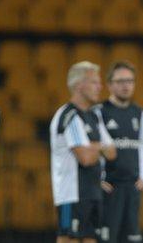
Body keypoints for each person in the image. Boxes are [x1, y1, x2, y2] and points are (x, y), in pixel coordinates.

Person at [50, 61, 117, 243]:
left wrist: (94, 147)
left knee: (90, 238)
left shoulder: (94, 116)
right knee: (68, 238)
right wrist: (99, 147)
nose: (100, 87)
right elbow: (86, 158)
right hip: (72, 193)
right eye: (94, 82)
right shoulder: (69, 116)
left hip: (93, 190)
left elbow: (112, 152)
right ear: (79, 85)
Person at [98, 62, 143, 243]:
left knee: (132, 237)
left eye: (130, 80)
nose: (126, 85)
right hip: (109, 187)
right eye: (120, 81)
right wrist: (98, 177)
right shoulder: (99, 112)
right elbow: (94, 145)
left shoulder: (139, 113)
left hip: (132, 187)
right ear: (109, 84)